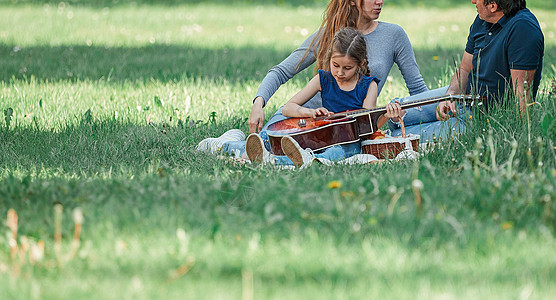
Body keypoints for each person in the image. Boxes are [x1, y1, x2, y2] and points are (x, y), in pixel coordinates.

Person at [208, 0, 438, 159]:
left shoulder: (394, 35)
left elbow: (417, 88)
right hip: (300, 120)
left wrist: (436, 109)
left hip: (341, 131)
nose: (379, 2)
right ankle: (223, 144)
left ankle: (234, 144)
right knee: (267, 149)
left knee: (294, 155)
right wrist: (258, 103)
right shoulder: (332, 34)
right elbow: (282, 70)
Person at [245, 27, 402, 168]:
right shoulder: (323, 79)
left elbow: (368, 127)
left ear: (361, 64)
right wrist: (310, 113)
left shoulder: (369, 85)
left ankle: (277, 161)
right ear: (330, 58)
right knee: (269, 136)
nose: (340, 72)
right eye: (336, 65)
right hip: (319, 136)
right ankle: (237, 148)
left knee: (336, 153)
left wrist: (388, 115)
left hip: (347, 143)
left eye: (347, 68)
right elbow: (288, 108)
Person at [390, 0, 544, 138]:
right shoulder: (483, 19)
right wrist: (449, 96)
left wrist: (521, 137)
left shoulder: (523, 29)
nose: (473, 1)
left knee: (398, 136)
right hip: (463, 98)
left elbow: (522, 92)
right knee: (393, 113)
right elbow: (464, 68)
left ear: (493, 6)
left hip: (482, 118)